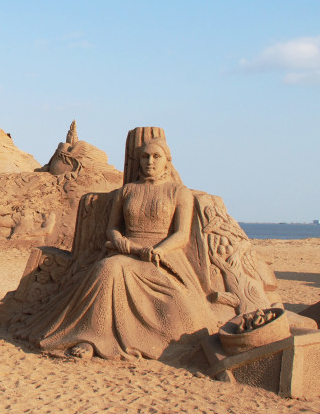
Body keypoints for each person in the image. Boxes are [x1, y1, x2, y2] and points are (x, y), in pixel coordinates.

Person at [19, 137, 217, 361]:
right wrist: (119, 239)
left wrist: (160, 250)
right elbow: (112, 228)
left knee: (174, 306)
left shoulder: (178, 192)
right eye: (144, 156)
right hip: (125, 252)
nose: (149, 161)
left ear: (167, 161)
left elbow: (181, 234)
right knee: (108, 268)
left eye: (156, 156)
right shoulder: (128, 191)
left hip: (162, 258)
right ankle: (90, 337)